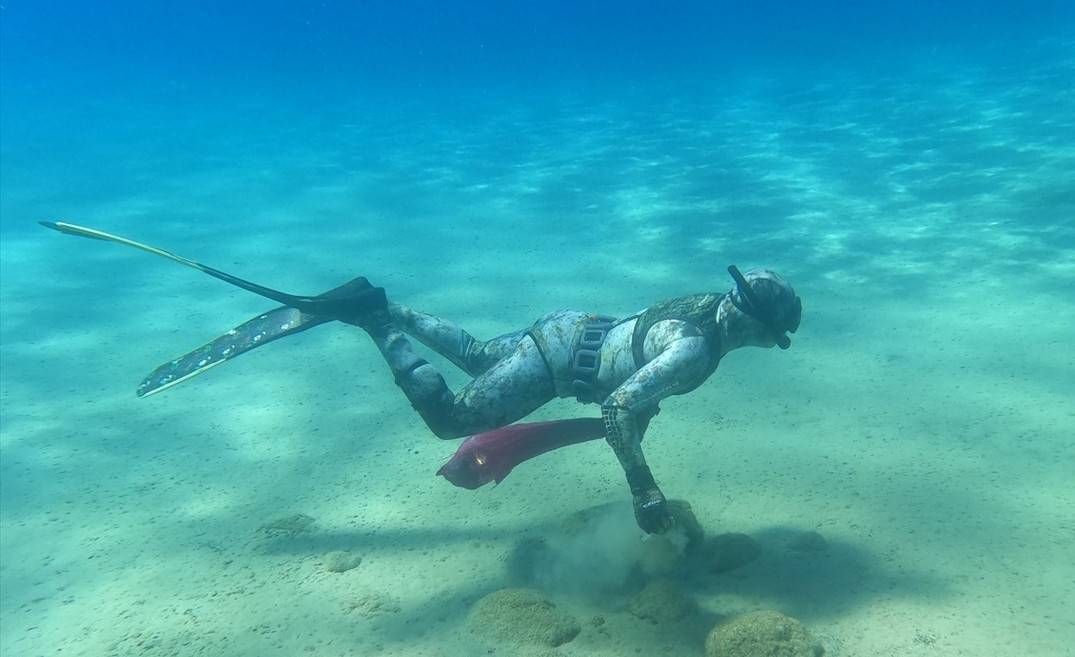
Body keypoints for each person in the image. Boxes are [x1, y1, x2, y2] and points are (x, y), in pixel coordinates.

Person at [41, 222, 802, 533]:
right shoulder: (698, 350)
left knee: (476, 356)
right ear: (757, 330)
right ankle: (370, 319)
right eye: (769, 340)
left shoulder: (702, 306)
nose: (763, 348)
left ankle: (380, 302)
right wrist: (643, 489)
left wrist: (629, 398)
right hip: (561, 362)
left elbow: (631, 371)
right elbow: (618, 411)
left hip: (570, 330)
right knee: (454, 420)